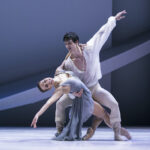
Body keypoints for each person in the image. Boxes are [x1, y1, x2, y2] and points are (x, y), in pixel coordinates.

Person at [54, 10, 131, 141]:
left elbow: (101, 33)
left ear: (77, 42)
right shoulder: (68, 62)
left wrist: (113, 19)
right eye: (66, 44)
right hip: (81, 94)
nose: (68, 46)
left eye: (70, 43)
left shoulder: (90, 48)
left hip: (94, 88)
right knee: (60, 103)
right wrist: (60, 70)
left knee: (114, 104)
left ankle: (117, 133)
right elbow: (59, 76)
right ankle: (60, 131)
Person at [31, 72, 131, 140]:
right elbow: (49, 102)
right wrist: (37, 114)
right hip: (84, 99)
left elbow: (68, 59)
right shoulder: (59, 89)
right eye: (46, 86)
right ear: (49, 89)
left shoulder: (59, 71)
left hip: (87, 91)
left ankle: (117, 131)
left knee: (103, 115)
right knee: (104, 115)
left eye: (45, 81)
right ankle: (120, 131)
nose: (47, 82)